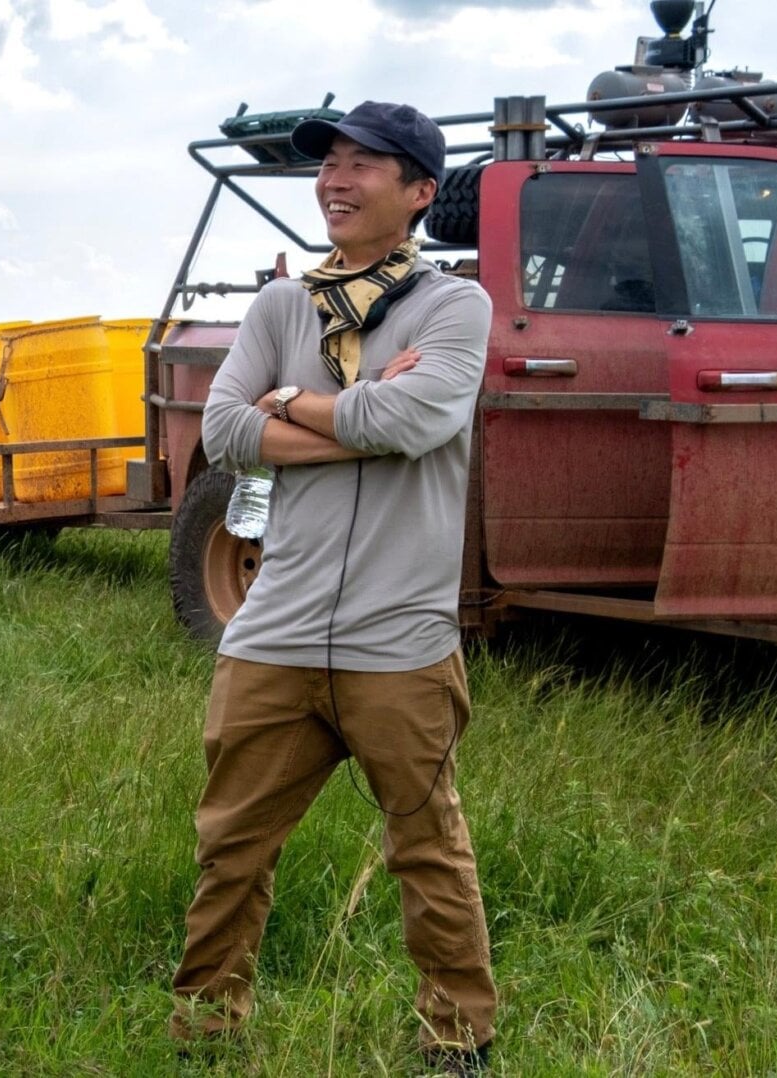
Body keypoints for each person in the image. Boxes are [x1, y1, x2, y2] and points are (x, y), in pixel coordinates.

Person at [169, 100, 498, 1075]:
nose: (336, 180)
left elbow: (419, 416)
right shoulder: (280, 306)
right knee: (231, 848)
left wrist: (295, 402)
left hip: (399, 638)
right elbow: (222, 435)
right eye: (330, 163)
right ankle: (205, 1032)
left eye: (366, 164)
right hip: (273, 631)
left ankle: (459, 1037)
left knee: (426, 847)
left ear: (420, 193)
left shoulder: (451, 307)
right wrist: (354, 412)